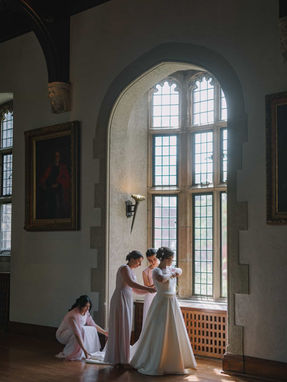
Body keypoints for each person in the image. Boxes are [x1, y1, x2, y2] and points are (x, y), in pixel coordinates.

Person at [130, 247, 197, 375]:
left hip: (172, 302)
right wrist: (172, 273)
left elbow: (180, 270)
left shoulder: (171, 269)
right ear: (166, 259)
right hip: (161, 302)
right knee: (159, 329)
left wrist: (174, 271)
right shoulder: (156, 271)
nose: (172, 261)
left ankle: (173, 361)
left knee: (174, 330)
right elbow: (162, 279)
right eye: (171, 259)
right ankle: (156, 361)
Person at [103, 250, 156, 366]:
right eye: (139, 261)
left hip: (127, 300)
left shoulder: (131, 271)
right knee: (120, 326)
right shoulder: (124, 268)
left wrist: (151, 289)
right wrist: (148, 289)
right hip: (120, 299)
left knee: (125, 327)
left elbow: (136, 290)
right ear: (132, 259)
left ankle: (123, 357)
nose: (140, 264)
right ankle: (117, 357)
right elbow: (131, 284)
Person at [56, 295, 108, 360]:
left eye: (89, 306)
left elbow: (93, 325)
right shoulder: (72, 315)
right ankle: (71, 352)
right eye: (86, 306)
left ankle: (89, 350)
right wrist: (85, 351)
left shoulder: (86, 312)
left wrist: (104, 332)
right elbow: (77, 334)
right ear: (80, 305)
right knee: (81, 329)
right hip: (62, 335)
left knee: (91, 328)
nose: (88, 308)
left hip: (75, 332)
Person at [39, 150, 70, 219]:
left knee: (58, 205)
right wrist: (45, 185)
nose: (56, 158)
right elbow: (44, 178)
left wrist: (58, 184)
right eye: (55, 156)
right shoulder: (50, 167)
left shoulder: (63, 167)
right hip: (49, 188)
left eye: (58, 156)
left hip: (59, 189)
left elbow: (66, 179)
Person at [142, 248, 159, 324]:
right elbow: (147, 286)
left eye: (154, 259)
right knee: (149, 318)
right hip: (150, 296)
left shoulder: (162, 268)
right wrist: (157, 284)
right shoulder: (145, 271)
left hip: (160, 295)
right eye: (150, 260)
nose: (152, 262)